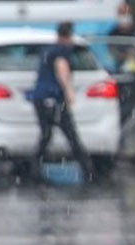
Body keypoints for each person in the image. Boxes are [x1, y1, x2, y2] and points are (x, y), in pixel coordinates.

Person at [32, 21, 94, 181]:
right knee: (69, 133)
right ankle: (87, 169)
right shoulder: (61, 51)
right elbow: (62, 69)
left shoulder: (50, 50)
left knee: (47, 134)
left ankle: (34, 168)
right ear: (68, 36)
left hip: (42, 98)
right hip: (53, 99)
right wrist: (69, 92)